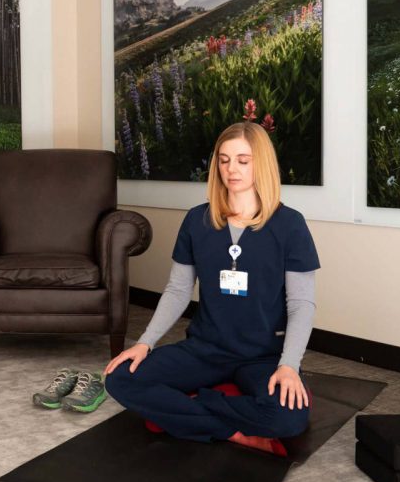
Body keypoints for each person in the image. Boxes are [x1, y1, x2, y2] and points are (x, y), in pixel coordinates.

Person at [104, 122, 319, 456]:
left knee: (289, 417)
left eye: (243, 160)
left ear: (260, 163)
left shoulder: (290, 224)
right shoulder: (196, 220)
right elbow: (177, 290)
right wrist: (144, 343)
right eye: (224, 160)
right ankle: (231, 429)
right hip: (206, 349)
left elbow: (301, 304)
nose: (231, 169)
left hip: (264, 356)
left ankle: (193, 406)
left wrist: (289, 365)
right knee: (119, 378)